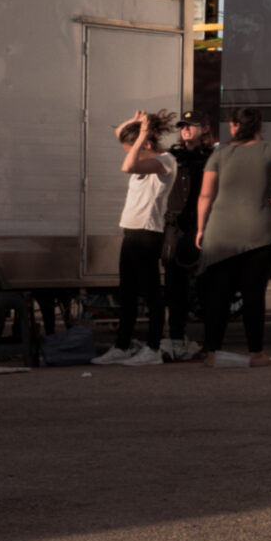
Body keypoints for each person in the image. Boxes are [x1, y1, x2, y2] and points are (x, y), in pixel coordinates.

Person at [193, 106, 271, 365]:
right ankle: (256, 353)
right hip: (261, 232)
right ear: (259, 126)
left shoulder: (220, 153)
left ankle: (212, 352)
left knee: (219, 295)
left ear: (234, 126)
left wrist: (201, 228)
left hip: (221, 233)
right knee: (254, 295)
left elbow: (206, 195)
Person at [98, 110, 177, 366]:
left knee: (151, 293)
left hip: (148, 232)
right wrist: (134, 124)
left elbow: (127, 166)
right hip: (131, 231)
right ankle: (122, 346)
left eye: (135, 148)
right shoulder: (144, 158)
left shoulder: (165, 161)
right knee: (127, 293)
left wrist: (141, 134)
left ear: (148, 145)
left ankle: (153, 348)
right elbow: (119, 134)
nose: (129, 152)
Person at [159, 110, 217, 360]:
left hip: (203, 224)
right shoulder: (172, 156)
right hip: (175, 226)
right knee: (175, 284)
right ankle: (176, 335)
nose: (186, 130)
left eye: (191, 126)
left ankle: (211, 341)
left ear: (203, 129)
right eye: (183, 126)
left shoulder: (212, 157)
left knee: (208, 284)